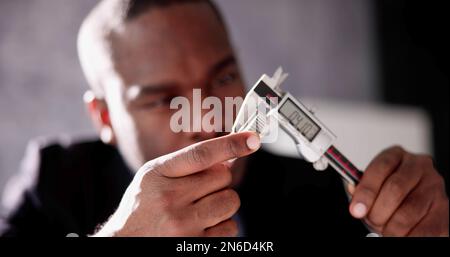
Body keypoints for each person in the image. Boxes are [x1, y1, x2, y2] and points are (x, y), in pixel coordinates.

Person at [1, 0, 448, 237]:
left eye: (224, 77)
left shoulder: (314, 195)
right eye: (163, 101)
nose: (204, 121)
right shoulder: (52, 184)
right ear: (104, 117)